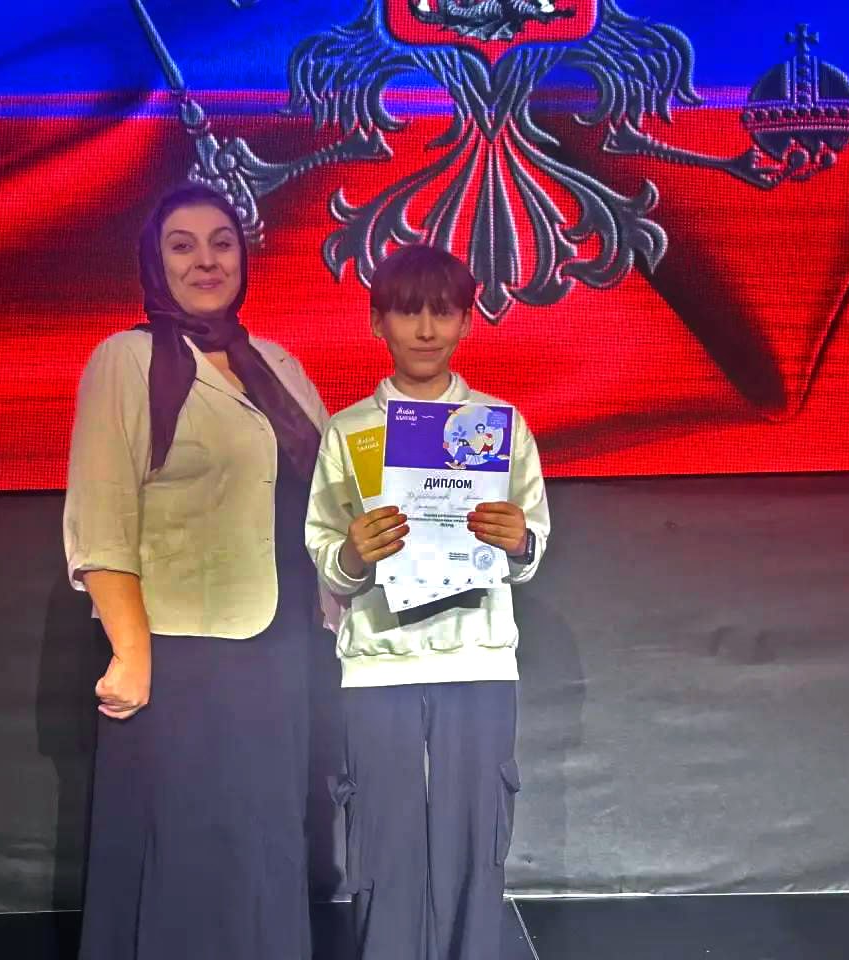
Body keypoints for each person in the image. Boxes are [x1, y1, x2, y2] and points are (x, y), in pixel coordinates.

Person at [64, 183, 329, 959]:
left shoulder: (278, 364)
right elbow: (102, 517)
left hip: (282, 644)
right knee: (183, 841)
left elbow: (332, 489)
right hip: (178, 651)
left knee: (264, 836)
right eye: (183, 245)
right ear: (155, 261)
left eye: (221, 242)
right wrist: (130, 651)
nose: (206, 260)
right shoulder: (126, 359)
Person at [305, 244, 550, 960]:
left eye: (442, 313)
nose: (424, 329)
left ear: (467, 322)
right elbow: (325, 552)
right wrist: (354, 553)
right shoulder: (349, 431)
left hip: (478, 660)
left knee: (475, 842)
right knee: (382, 844)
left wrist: (518, 540)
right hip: (379, 664)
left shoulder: (500, 426)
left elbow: (532, 543)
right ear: (377, 321)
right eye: (407, 312)